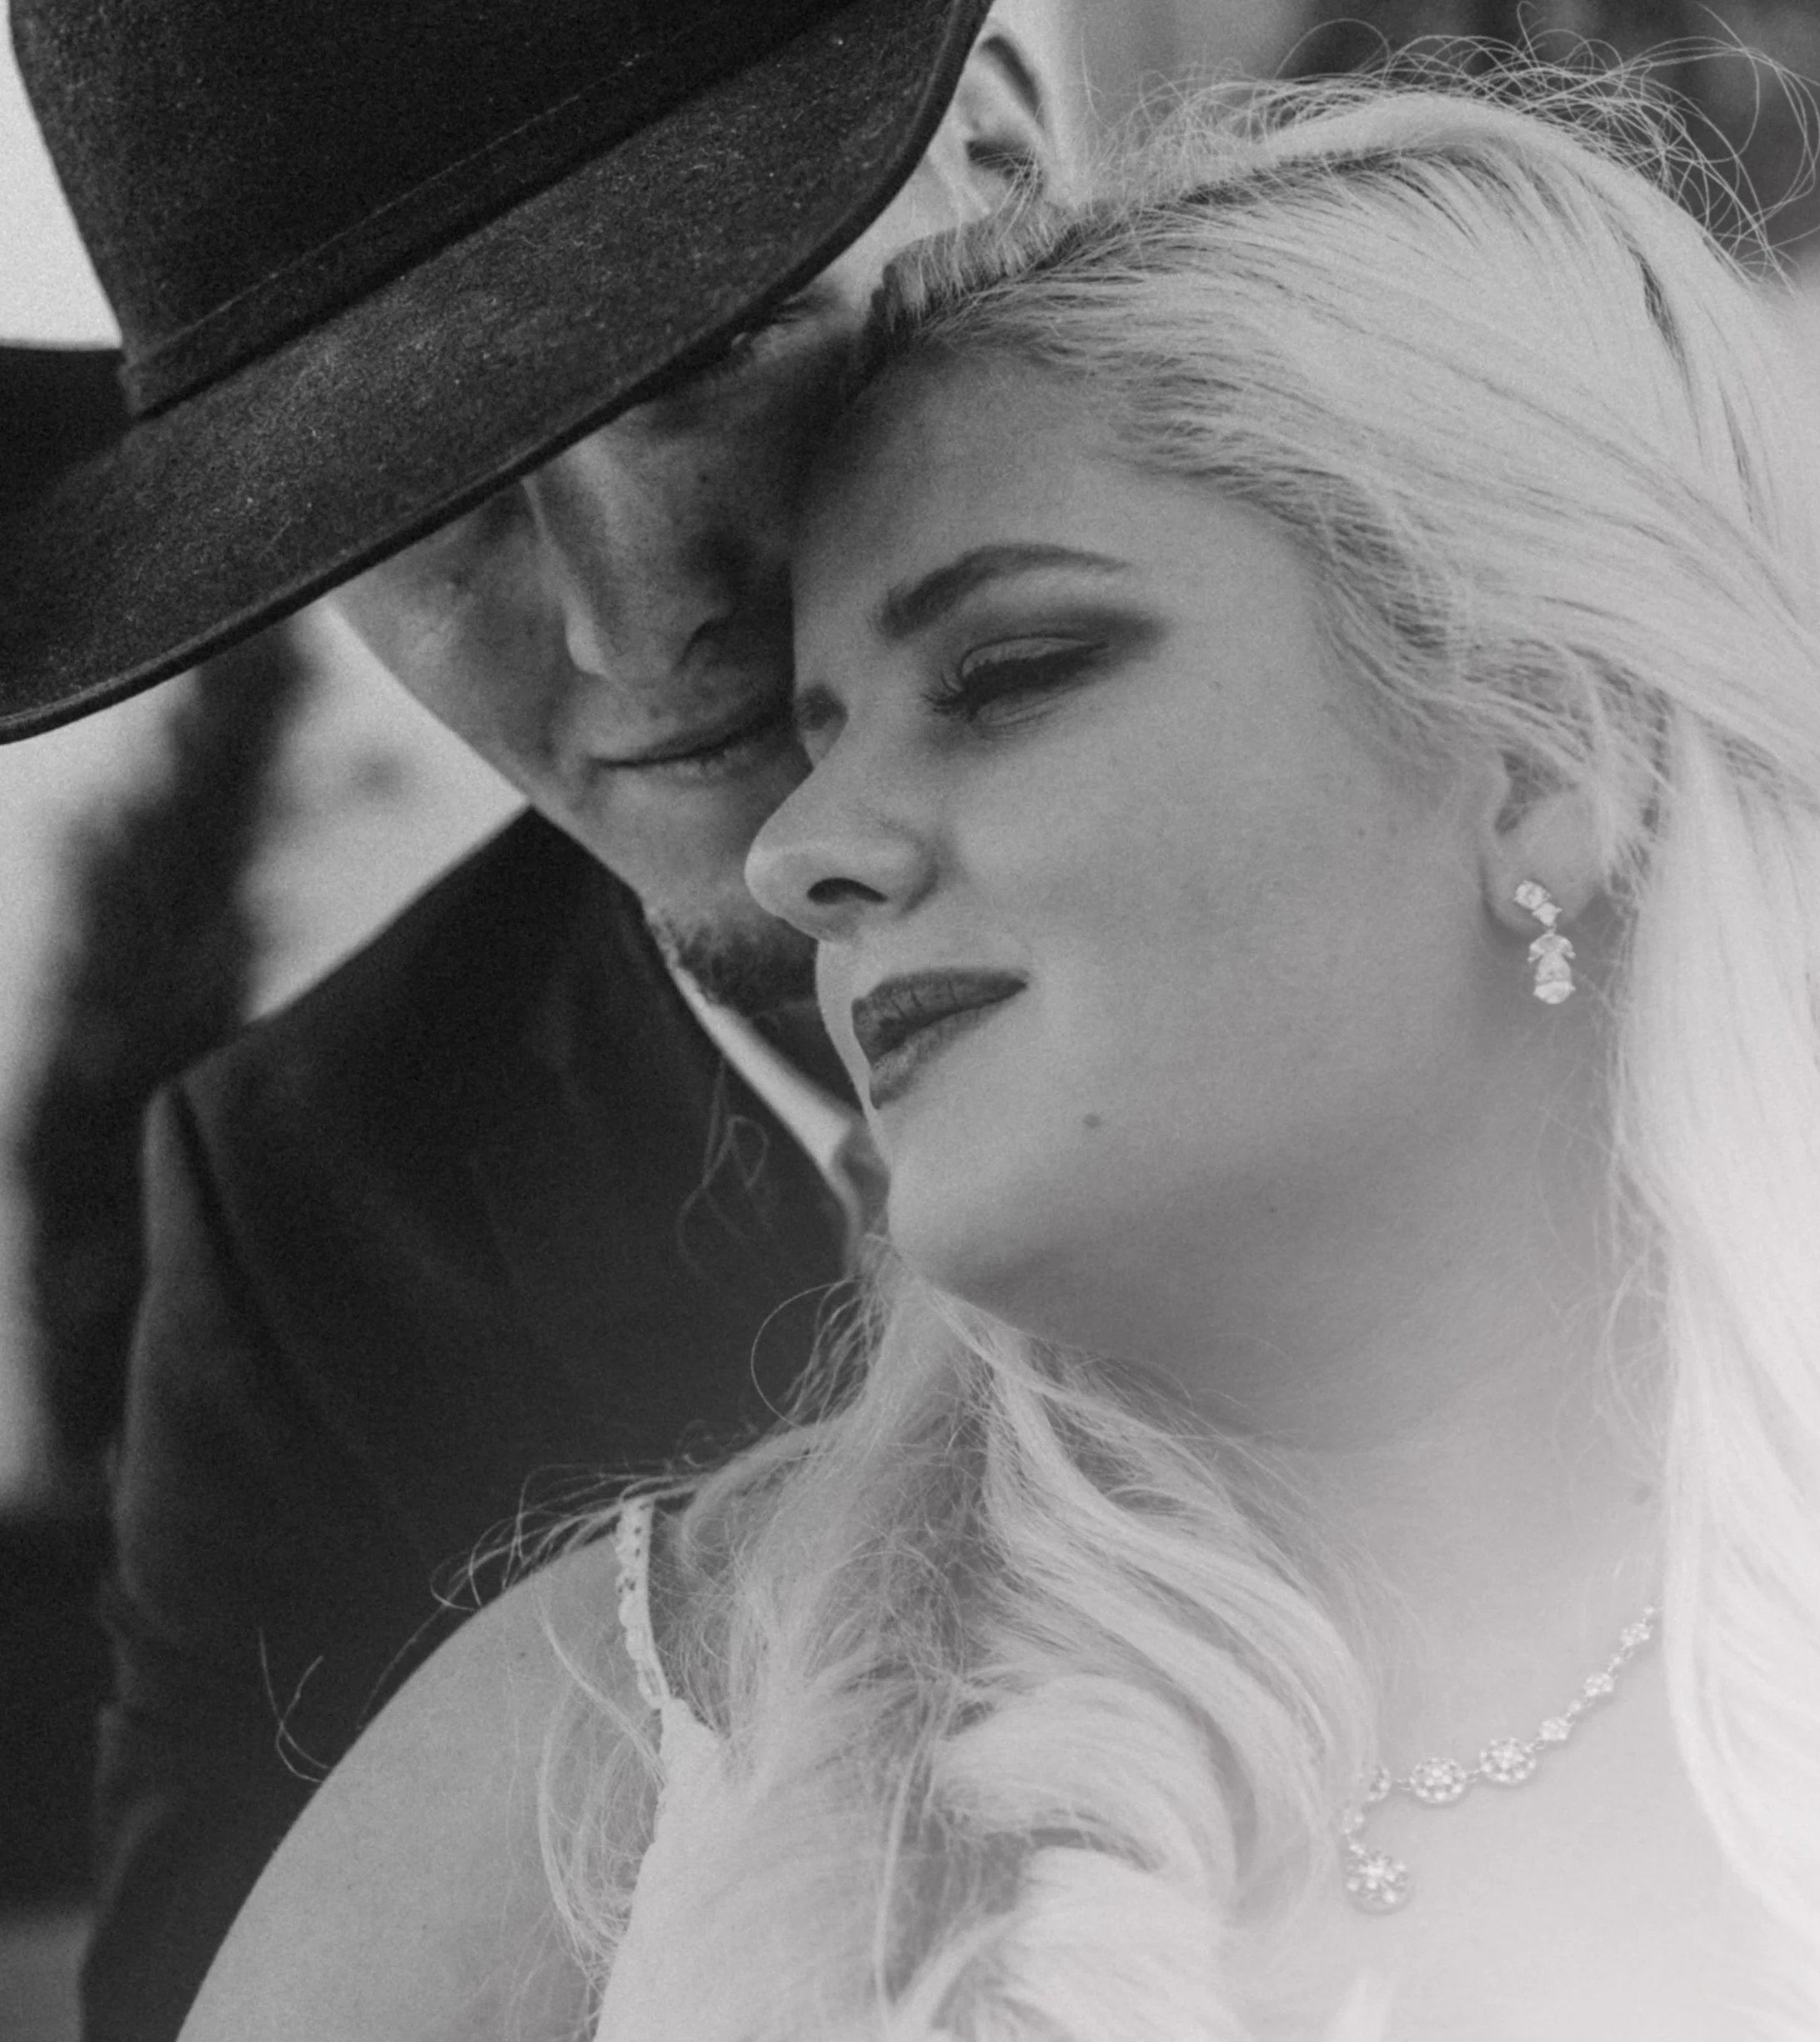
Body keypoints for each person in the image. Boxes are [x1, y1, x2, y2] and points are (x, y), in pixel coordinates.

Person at [169, 64, 1820, 2042]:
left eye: (1007, 676)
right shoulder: (581, 1738)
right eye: (431, 501)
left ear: (1543, 745)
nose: (800, 843)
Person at [0, 3, 1070, 2034]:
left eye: (716, 350)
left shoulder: (1592, 877)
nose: (629, 624)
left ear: (1002, 162)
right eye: (414, 494)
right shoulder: (311, 1220)